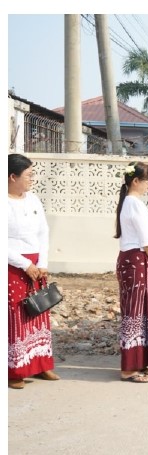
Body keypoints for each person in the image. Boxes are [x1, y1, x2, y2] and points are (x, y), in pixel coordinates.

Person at [8, 154, 60, 389]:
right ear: (12, 177)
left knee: (38, 311)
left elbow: (43, 232)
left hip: (36, 265)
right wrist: (24, 264)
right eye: (29, 175)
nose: (32, 179)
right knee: (15, 316)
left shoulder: (33, 199)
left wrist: (42, 263)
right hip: (13, 265)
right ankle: (15, 370)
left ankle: (40, 364)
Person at [114, 161, 148, 383]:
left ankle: (143, 360)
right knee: (135, 312)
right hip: (137, 260)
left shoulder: (130, 202)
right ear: (135, 181)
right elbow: (146, 241)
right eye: (147, 181)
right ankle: (129, 368)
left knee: (144, 310)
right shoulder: (134, 203)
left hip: (137, 260)